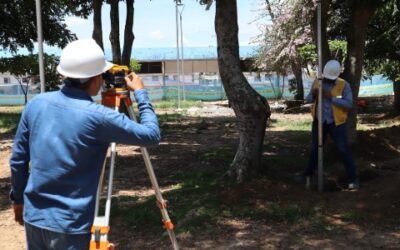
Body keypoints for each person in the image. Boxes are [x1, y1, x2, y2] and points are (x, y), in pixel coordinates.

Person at [9, 39, 160, 249]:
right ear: (97, 77)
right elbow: (151, 135)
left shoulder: (36, 104)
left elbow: (17, 161)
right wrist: (141, 93)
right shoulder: (99, 117)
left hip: (34, 218)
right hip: (69, 225)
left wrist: (18, 200)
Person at [302, 59, 358, 190]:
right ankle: (308, 175)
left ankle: (353, 179)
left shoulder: (344, 85)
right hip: (319, 122)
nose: (326, 79)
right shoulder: (317, 82)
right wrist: (313, 95)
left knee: (343, 150)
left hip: (336, 123)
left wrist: (331, 98)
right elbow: (308, 99)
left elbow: (349, 104)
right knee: (315, 149)